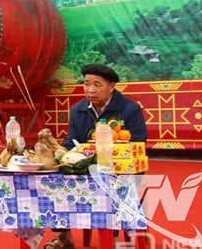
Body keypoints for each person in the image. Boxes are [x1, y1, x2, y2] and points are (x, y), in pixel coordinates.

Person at [45, 63, 148, 249]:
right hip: (86, 170)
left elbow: (139, 144)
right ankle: (65, 235)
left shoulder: (129, 109)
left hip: (122, 171)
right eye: (86, 84)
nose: (90, 90)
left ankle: (113, 236)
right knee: (56, 181)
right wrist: (61, 154)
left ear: (111, 86)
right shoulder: (78, 110)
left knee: (111, 186)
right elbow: (71, 142)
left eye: (97, 85)